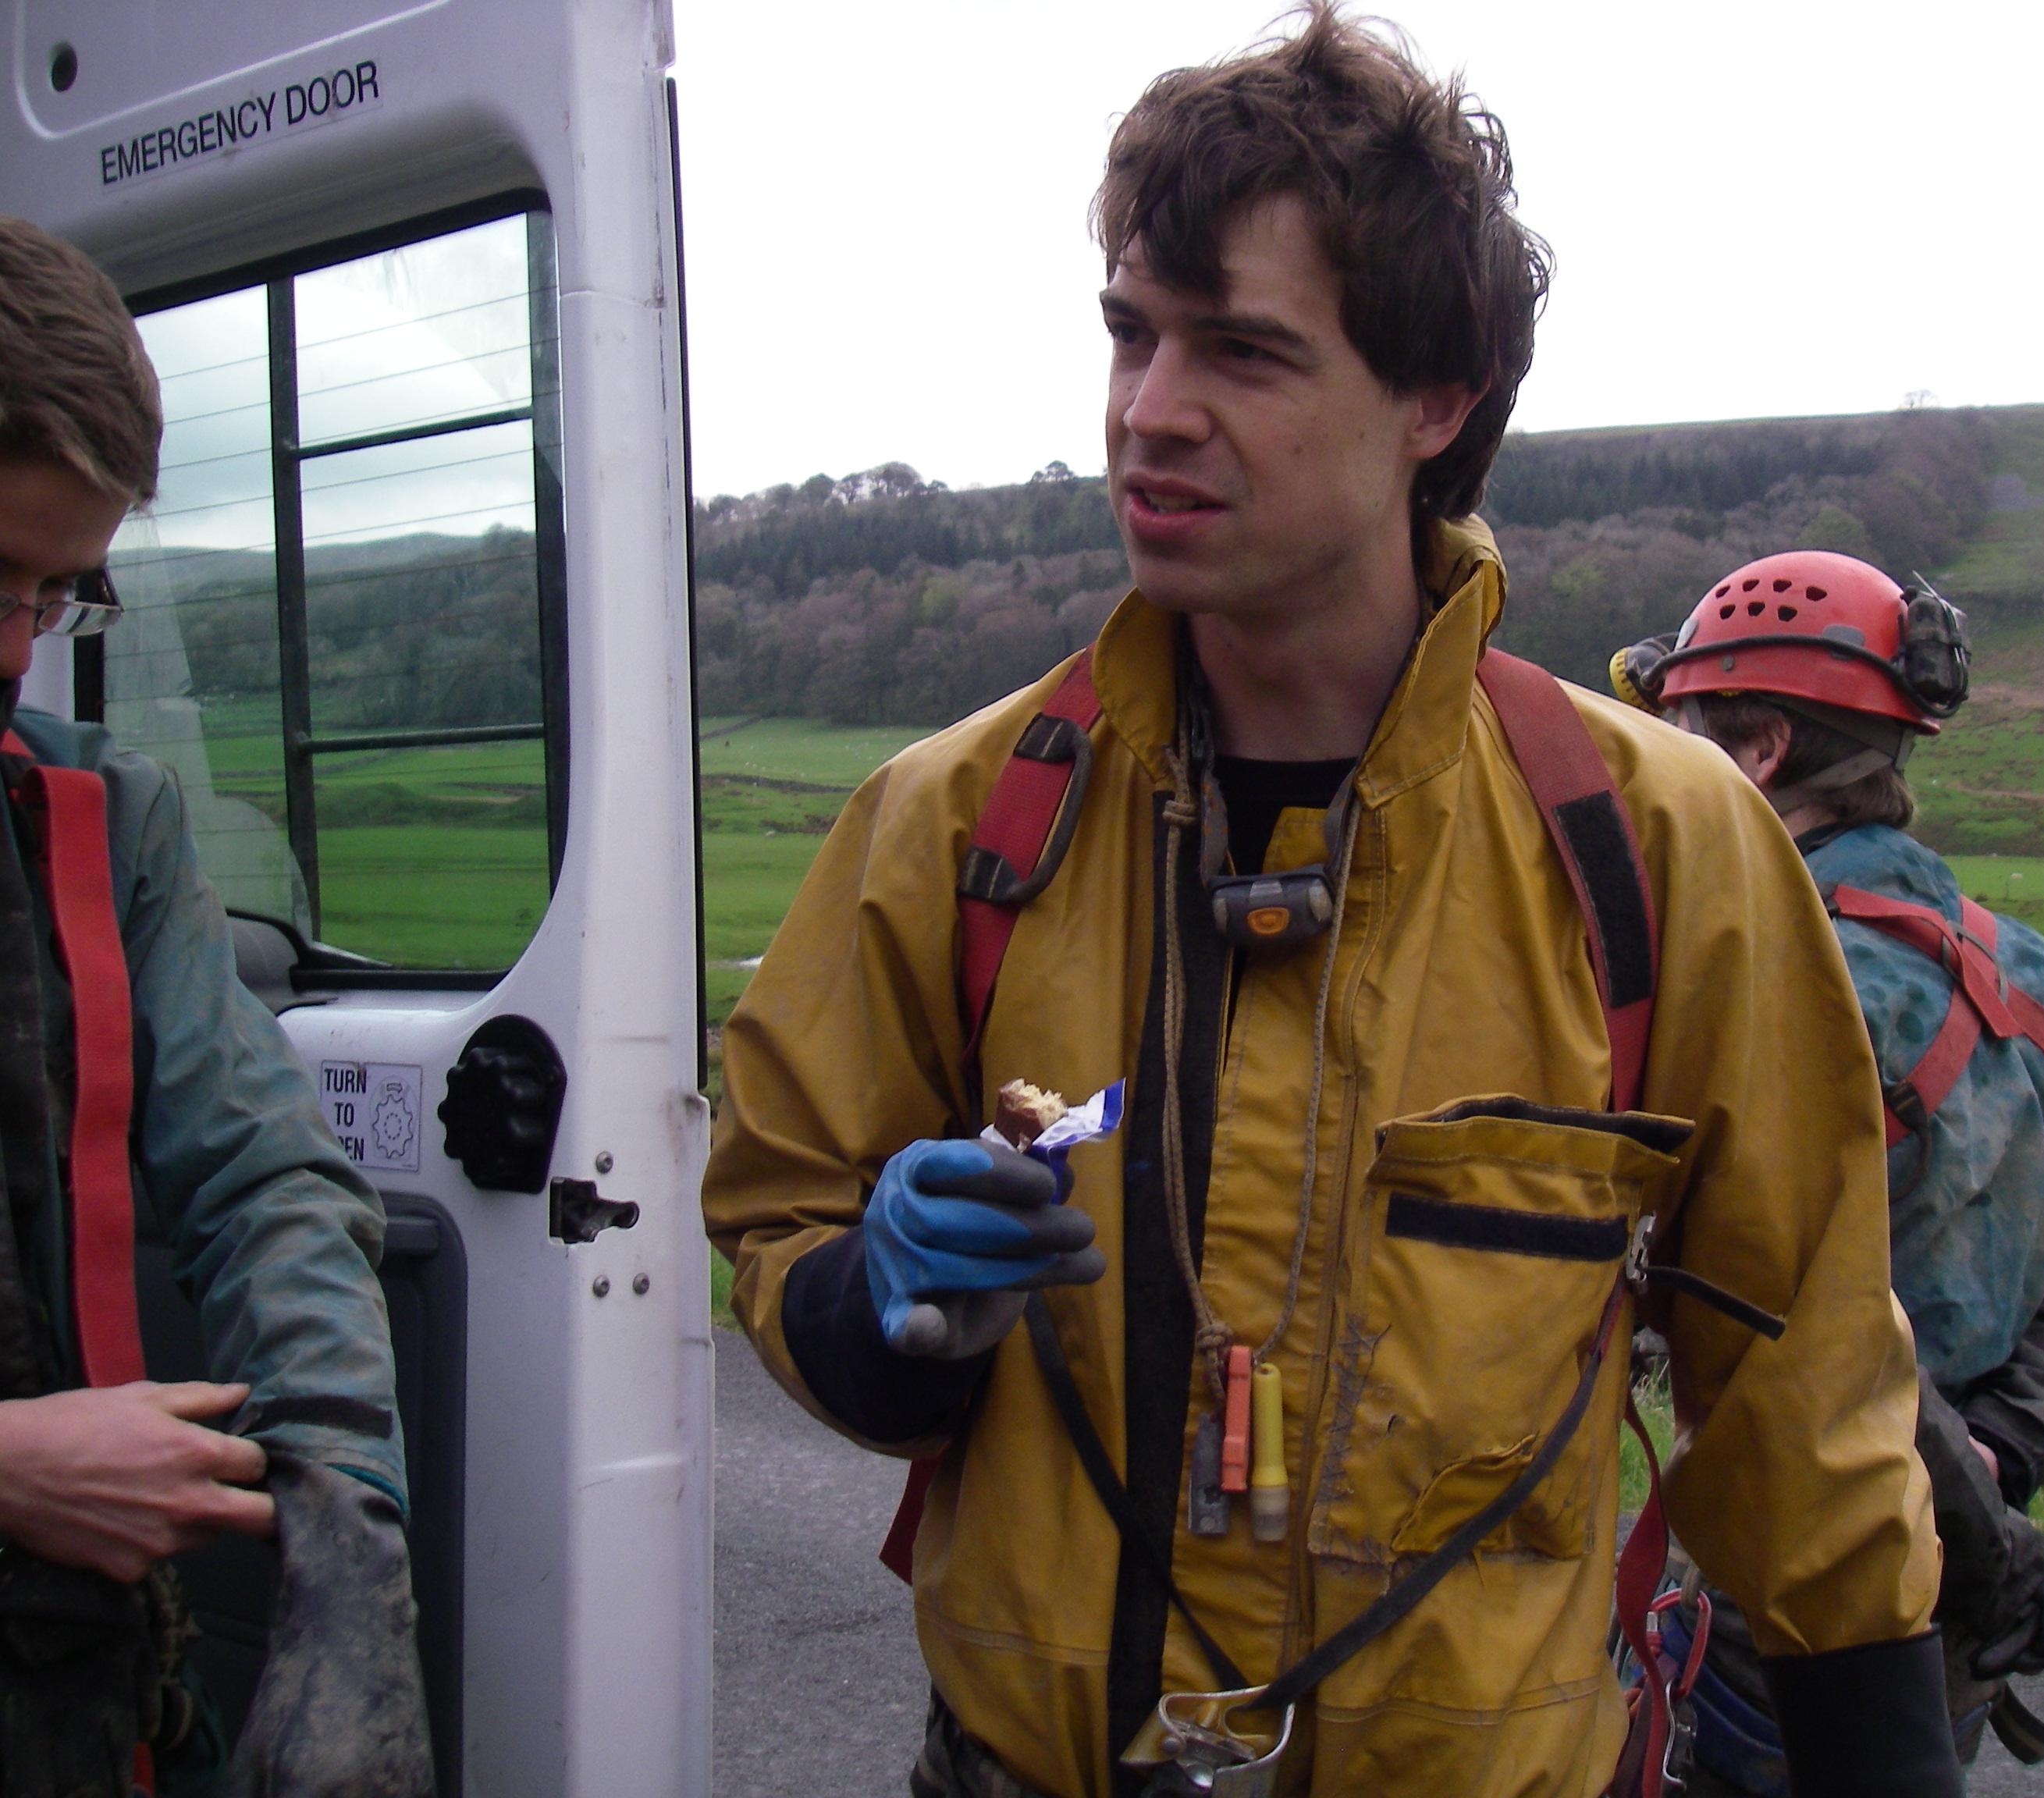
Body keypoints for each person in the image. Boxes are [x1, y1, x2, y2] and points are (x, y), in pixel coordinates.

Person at [706, 12, 1965, 1796]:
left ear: (1434, 401)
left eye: (1244, 350)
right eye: (1131, 332)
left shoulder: (1660, 848)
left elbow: (1806, 1395)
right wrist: (878, 1314)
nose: (1151, 410)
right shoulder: (959, 822)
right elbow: (782, 1221)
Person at [0, 216, 432, 1796]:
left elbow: (263, 1176)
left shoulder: (100, 822)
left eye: (54, 594)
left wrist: (344, 1531)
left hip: (70, 1696)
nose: (11, 652)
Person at [1609, 550, 2044, 1792]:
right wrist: (1999, 1477)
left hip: (1779, 1600)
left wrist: (1989, 1533)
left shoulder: (1749, 978)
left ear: (1758, 755)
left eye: (1683, 730)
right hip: (1954, 1607)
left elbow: (1819, 1339)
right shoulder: (2041, 980)